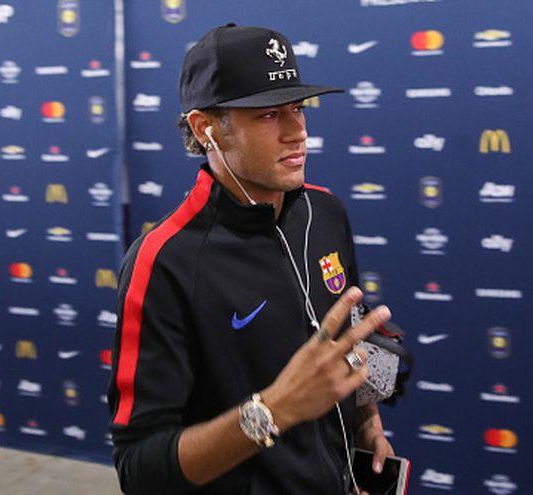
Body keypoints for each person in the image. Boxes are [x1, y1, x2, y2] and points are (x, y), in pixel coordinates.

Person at [107, 23, 395, 494]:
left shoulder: (326, 212)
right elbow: (140, 469)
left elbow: (349, 335)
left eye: (298, 108)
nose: (298, 131)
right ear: (205, 129)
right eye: (268, 115)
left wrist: (368, 425)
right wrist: (274, 410)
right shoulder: (163, 262)